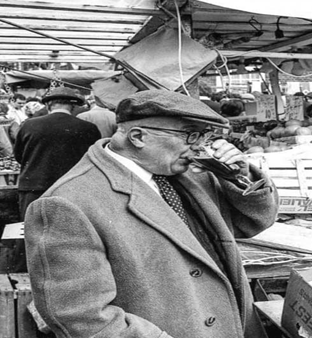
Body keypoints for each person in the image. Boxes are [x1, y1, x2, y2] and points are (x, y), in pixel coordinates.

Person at [25, 90, 278, 338]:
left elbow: (253, 223)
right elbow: (81, 317)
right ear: (138, 137)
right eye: (191, 135)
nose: (200, 147)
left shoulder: (194, 173)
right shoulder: (67, 203)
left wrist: (239, 177)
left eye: (205, 136)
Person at [14, 86, 101, 220]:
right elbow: (94, 159)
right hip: (73, 188)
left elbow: (20, 156)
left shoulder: (29, 125)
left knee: (32, 231)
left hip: (34, 187)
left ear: (49, 105)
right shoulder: (88, 128)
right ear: (72, 106)